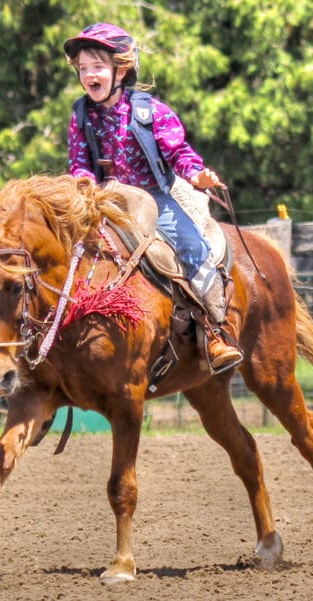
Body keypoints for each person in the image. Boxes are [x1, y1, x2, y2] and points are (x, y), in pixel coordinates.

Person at [64, 23, 243, 370]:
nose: (89, 75)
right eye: (83, 69)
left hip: (153, 199)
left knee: (195, 250)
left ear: (122, 68)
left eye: (97, 66)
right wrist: (84, 185)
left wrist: (197, 175)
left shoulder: (151, 111)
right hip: (103, 202)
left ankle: (215, 332)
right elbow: (79, 163)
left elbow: (180, 153)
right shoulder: (81, 114)